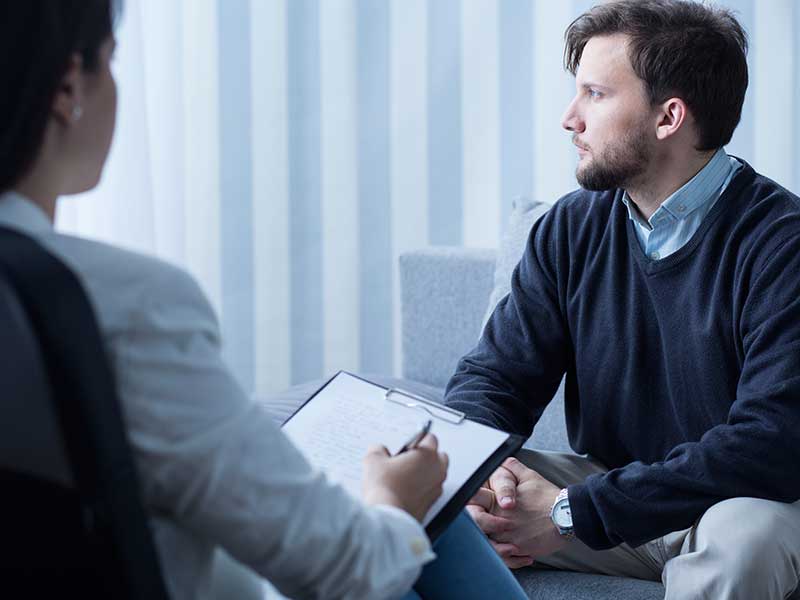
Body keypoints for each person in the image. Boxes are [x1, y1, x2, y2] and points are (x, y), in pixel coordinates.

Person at [0, 2, 529, 599]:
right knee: (421, 522)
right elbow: (346, 569)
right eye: (113, 61)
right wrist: (393, 501)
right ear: (69, 88)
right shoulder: (124, 302)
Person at [444, 1, 800, 599]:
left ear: (669, 118)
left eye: (595, 95)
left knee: (747, 542)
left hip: (739, 500)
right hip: (610, 491)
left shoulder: (781, 244)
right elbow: (495, 378)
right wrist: (484, 474)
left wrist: (570, 514)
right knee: (423, 490)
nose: (569, 118)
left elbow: (772, 442)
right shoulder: (570, 228)